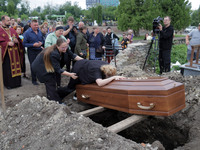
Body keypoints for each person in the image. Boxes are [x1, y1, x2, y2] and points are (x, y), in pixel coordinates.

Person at [32, 38, 82, 103]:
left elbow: (73, 56)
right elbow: (57, 69)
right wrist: (70, 74)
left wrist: (84, 60)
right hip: (41, 68)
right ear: (57, 46)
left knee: (54, 80)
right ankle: (55, 101)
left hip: (48, 66)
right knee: (50, 82)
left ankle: (56, 94)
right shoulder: (54, 53)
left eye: (66, 47)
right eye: (63, 48)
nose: (65, 49)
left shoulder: (64, 48)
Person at [57, 59, 125, 99]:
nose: (109, 77)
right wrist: (113, 78)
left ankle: (78, 94)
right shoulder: (96, 70)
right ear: (105, 72)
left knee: (90, 83)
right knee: (71, 87)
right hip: (79, 68)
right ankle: (57, 94)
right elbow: (100, 83)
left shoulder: (107, 66)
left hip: (86, 66)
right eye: (108, 76)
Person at [0, 15, 23, 89]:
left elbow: (17, 38)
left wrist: (17, 41)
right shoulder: (0, 30)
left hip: (15, 52)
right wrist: (7, 43)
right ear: (3, 21)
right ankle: (9, 84)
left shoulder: (12, 30)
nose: (9, 21)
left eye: (9, 20)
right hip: (7, 53)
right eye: (7, 20)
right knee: (8, 69)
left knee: (16, 66)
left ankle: (17, 83)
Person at [23, 19, 45, 85]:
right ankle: (34, 80)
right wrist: (33, 45)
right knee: (33, 65)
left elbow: (43, 40)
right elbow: (24, 43)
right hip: (31, 51)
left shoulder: (39, 31)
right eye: (35, 25)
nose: (36, 26)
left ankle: (40, 78)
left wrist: (41, 43)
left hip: (39, 50)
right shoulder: (27, 33)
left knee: (40, 64)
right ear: (31, 25)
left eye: (37, 25)